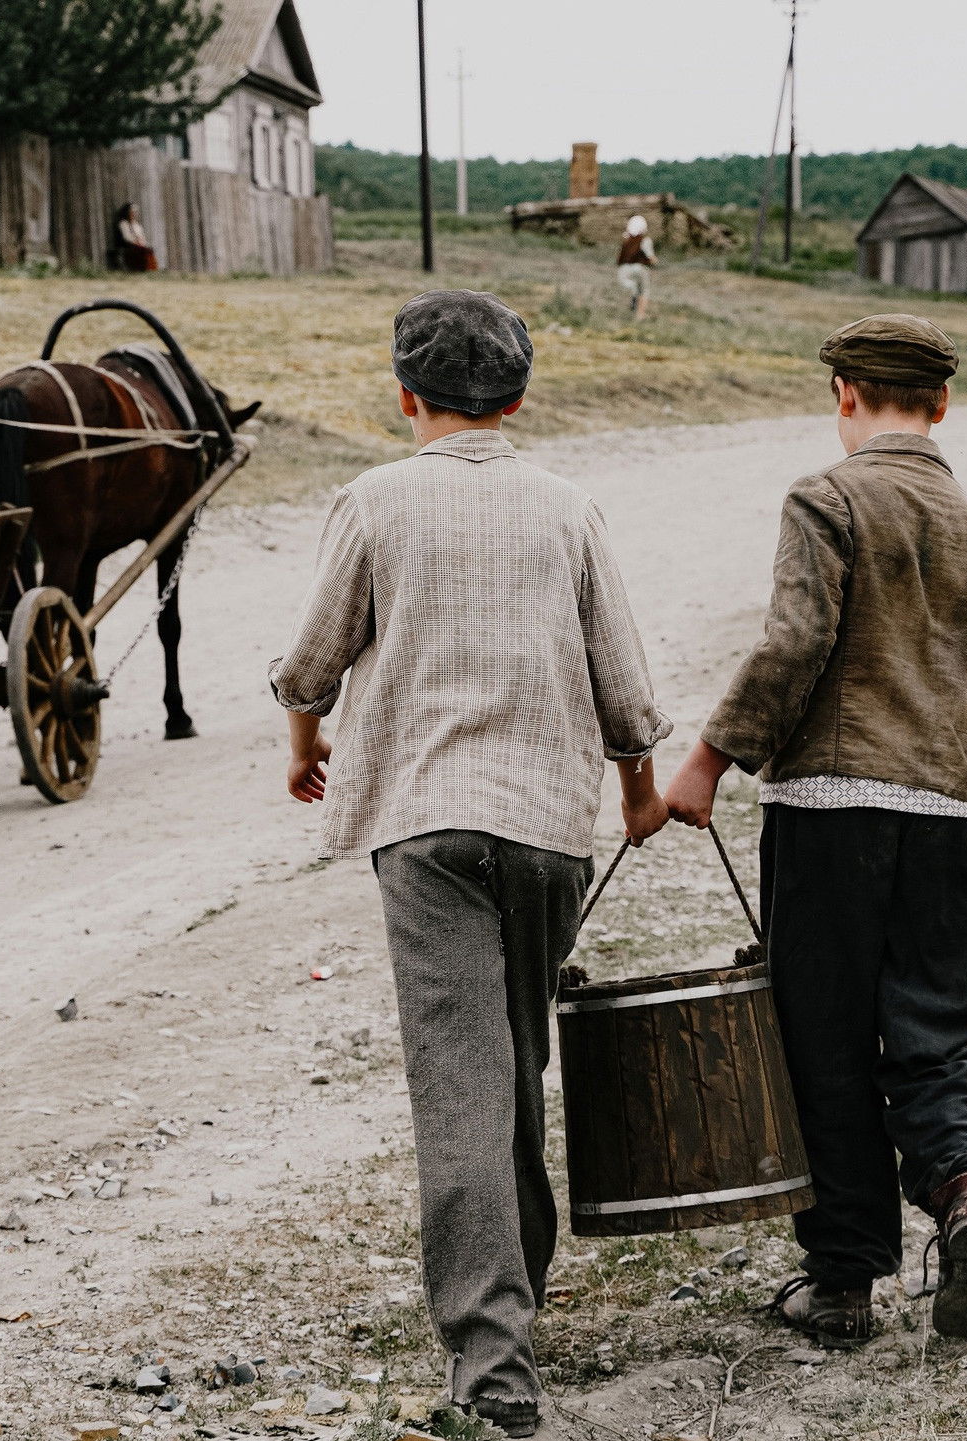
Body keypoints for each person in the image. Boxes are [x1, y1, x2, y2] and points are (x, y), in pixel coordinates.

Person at [269, 290, 672, 1437]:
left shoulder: (374, 500)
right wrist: (638, 792)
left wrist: (309, 747)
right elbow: (625, 684)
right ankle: (515, 1295)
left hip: (428, 828)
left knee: (457, 1076)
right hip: (547, 826)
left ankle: (493, 1366)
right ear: (520, 397)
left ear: (405, 395)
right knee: (513, 1060)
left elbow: (313, 659)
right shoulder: (567, 506)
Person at [662, 314, 967, 1347]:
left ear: (843, 395)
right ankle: (965, 1195)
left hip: (828, 813)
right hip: (952, 818)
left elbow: (796, 641)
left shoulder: (827, 498)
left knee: (823, 1046)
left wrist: (710, 758)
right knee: (935, 1038)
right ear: (941, 404)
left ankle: (846, 1281)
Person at [616, 213, 657, 322]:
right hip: (639, 268)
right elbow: (651, 257)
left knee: (633, 289)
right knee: (643, 291)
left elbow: (620, 257)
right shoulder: (644, 240)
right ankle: (640, 315)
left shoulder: (626, 240)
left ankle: (628, 311)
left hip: (624, 269)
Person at [111, 203, 160, 272]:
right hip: (129, 245)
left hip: (139, 244)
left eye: (135, 212)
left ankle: (152, 269)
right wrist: (136, 242)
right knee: (143, 250)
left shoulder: (137, 225)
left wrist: (142, 243)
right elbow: (126, 238)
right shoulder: (123, 224)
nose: (134, 214)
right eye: (132, 212)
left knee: (149, 250)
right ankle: (146, 268)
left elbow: (142, 237)